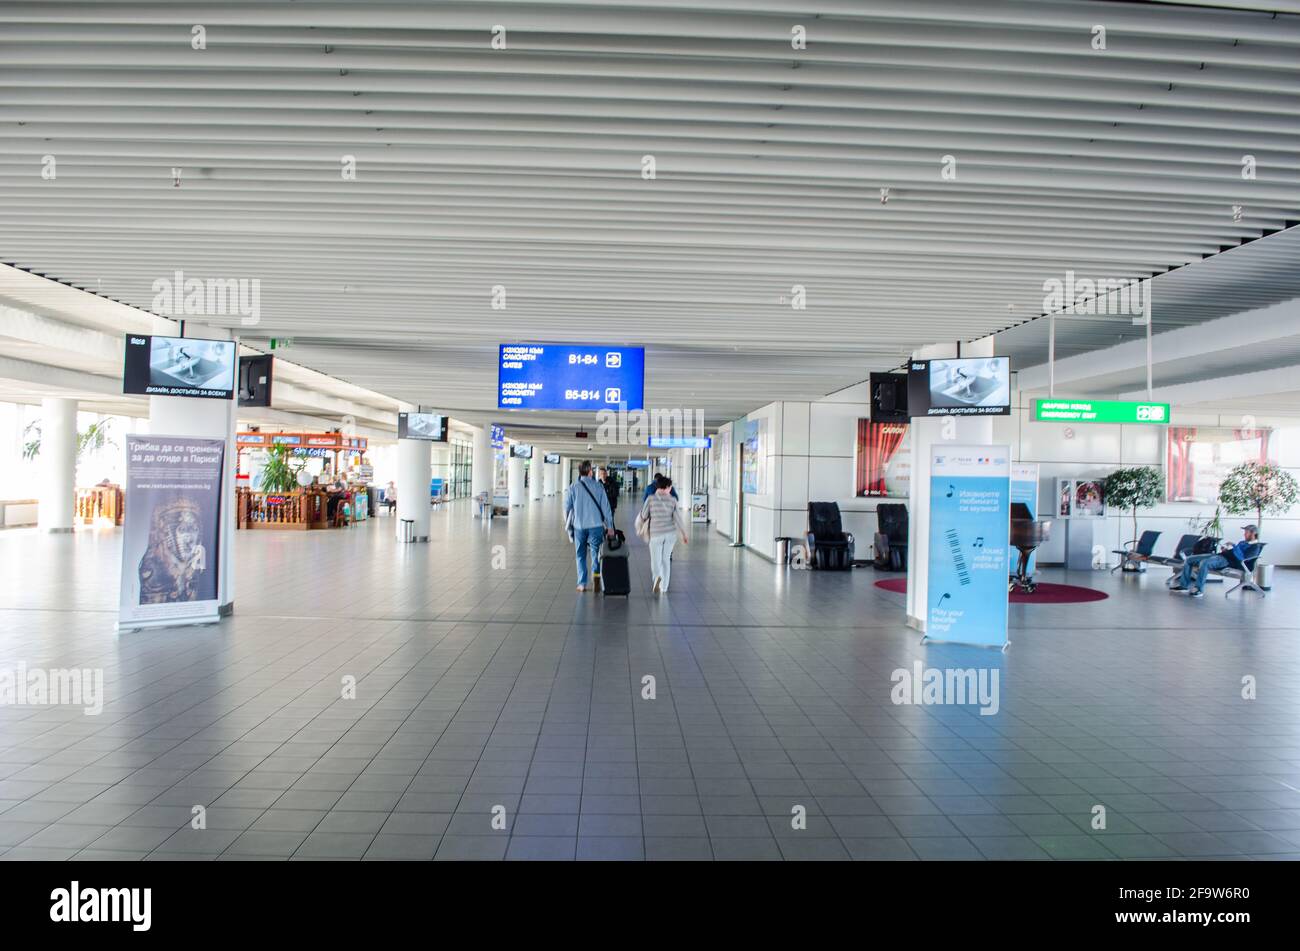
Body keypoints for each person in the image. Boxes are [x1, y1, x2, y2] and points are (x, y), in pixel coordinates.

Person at [564, 460, 614, 592]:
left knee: (580, 554)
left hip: (579, 526)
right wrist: (610, 527)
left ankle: (582, 583)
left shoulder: (573, 487)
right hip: (596, 526)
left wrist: (568, 524)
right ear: (590, 471)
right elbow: (606, 508)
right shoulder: (598, 487)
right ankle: (596, 576)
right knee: (595, 553)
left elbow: (566, 509)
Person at [1171, 525, 1261, 598]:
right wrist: (1226, 549)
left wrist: (1234, 546)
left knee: (1205, 563)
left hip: (1227, 561)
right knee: (1190, 559)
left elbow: (1241, 558)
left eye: (1246, 532)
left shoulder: (1255, 547)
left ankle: (1198, 589)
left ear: (1253, 534)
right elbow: (1234, 552)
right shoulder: (1243, 542)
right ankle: (1184, 585)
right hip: (1220, 555)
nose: (1244, 534)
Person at [637, 475, 689, 594]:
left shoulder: (650, 499)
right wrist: (684, 533)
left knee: (656, 560)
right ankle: (664, 587)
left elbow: (644, 515)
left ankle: (657, 578)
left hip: (656, 533)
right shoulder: (672, 500)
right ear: (667, 487)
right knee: (665, 560)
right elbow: (678, 518)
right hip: (670, 534)